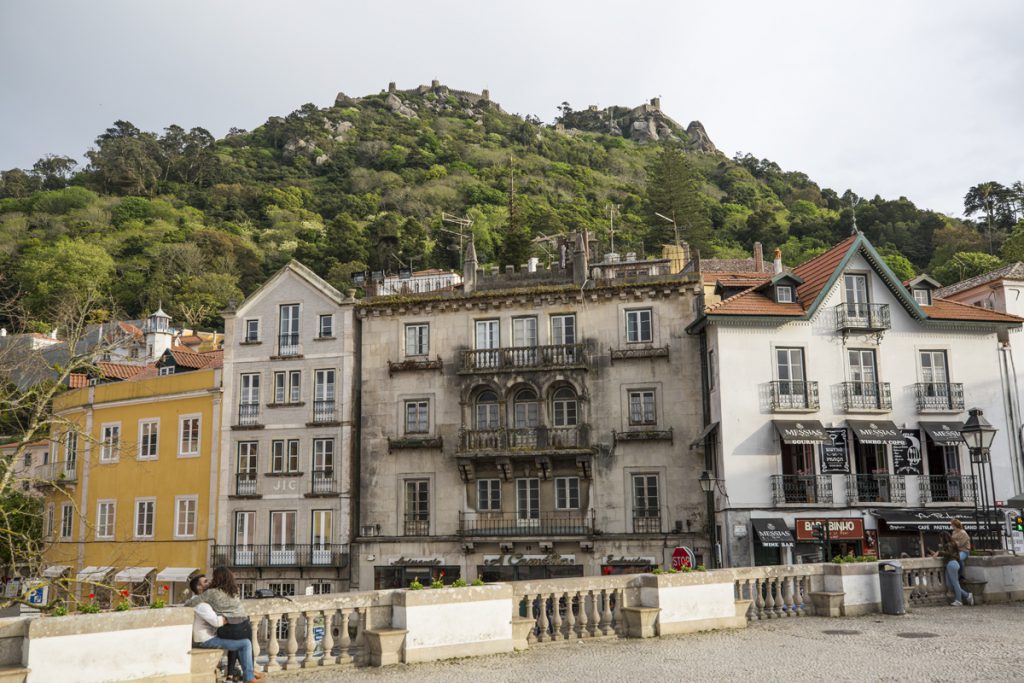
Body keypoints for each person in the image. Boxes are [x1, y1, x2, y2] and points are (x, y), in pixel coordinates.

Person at [189, 574, 261, 682]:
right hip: (206, 640)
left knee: (240, 637)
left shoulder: (202, 601)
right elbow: (217, 622)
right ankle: (249, 677)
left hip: (209, 637)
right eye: (205, 581)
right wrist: (231, 616)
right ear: (199, 587)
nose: (209, 583)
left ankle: (248, 673)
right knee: (245, 643)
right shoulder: (202, 605)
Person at [930, 531, 973, 607]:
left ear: (943, 538)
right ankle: (967, 595)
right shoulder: (951, 544)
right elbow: (949, 554)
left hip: (951, 564)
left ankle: (959, 601)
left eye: (941, 538)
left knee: (955, 583)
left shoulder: (949, 544)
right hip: (951, 564)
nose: (940, 540)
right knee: (950, 585)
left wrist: (939, 552)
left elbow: (949, 553)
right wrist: (937, 553)